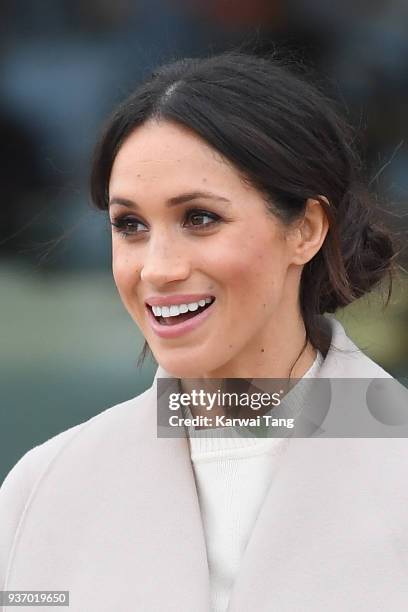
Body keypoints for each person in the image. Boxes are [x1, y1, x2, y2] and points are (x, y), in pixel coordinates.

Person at [0, 52, 407, 612]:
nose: (158, 268)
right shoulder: (44, 489)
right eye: (130, 226)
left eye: (199, 218)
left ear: (307, 229)